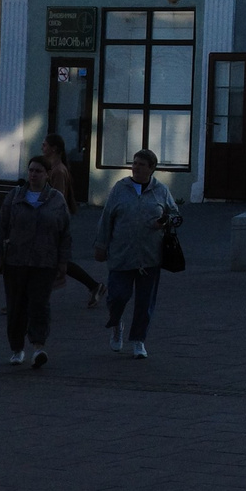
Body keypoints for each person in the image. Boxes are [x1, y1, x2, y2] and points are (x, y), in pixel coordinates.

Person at [96, 149, 179, 359]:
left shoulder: (160, 190)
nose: (136, 167)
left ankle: (139, 340)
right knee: (117, 296)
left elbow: (175, 215)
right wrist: (101, 244)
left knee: (145, 302)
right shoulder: (120, 188)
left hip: (149, 256)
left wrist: (164, 222)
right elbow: (107, 217)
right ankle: (116, 324)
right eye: (134, 163)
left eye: (142, 164)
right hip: (121, 254)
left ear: (152, 168)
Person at [0, 153, 71, 366]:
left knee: (39, 305)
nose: (33, 175)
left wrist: (63, 261)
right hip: (15, 261)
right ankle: (17, 348)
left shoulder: (56, 200)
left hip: (44, 262)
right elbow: (1, 226)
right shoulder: (15, 196)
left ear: (47, 174)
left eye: (38, 171)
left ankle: (38, 347)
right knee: (16, 307)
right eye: (31, 170)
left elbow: (65, 233)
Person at [41, 135, 102, 307]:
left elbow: (57, 199)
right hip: (50, 220)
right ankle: (94, 286)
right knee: (54, 261)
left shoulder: (58, 171)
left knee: (53, 261)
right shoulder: (52, 168)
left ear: (54, 148)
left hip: (54, 223)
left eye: (45, 145)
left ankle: (27, 299)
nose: (42, 147)